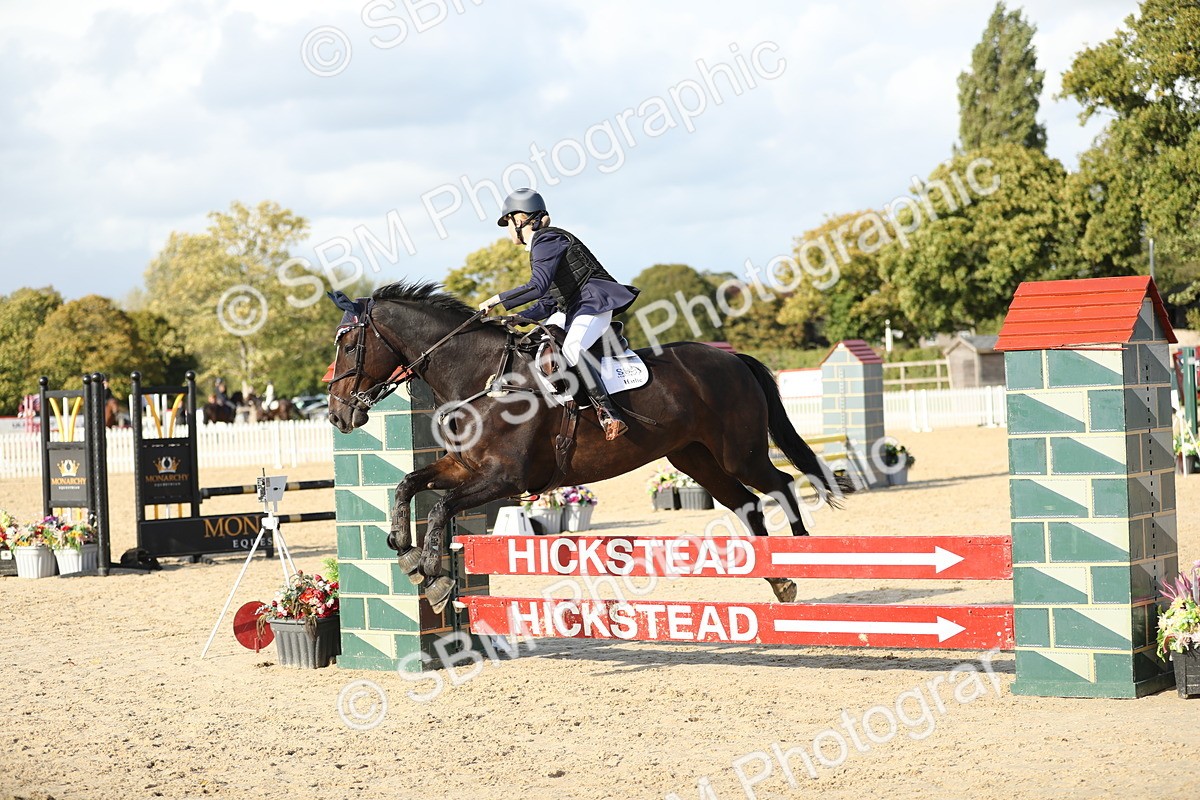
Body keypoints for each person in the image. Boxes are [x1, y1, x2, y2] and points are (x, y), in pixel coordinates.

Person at [479, 189, 640, 440]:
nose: (508, 230)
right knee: (535, 342)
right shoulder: (541, 247)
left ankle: (609, 413)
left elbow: (537, 287)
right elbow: (546, 302)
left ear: (520, 219)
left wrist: (496, 300)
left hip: (593, 302)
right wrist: (512, 319)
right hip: (570, 308)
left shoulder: (547, 240)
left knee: (572, 349)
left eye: (508, 223)